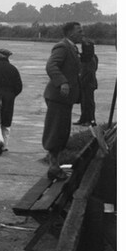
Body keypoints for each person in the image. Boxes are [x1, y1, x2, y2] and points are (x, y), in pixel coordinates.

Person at [42, 22, 83, 180]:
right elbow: (51, 65)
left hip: (64, 99)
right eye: (79, 31)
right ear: (70, 33)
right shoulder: (62, 47)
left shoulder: (72, 47)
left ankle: (56, 165)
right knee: (55, 131)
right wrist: (63, 82)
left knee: (62, 132)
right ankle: (53, 167)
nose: (82, 34)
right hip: (57, 97)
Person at [76, 38, 98, 126]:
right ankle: (83, 119)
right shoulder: (86, 57)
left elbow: (90, 72)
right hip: (84, 82)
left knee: (89, 103)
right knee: (84, 102)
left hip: (89, 83)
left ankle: (91, 120)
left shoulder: (91, 58)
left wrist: (82, 80)